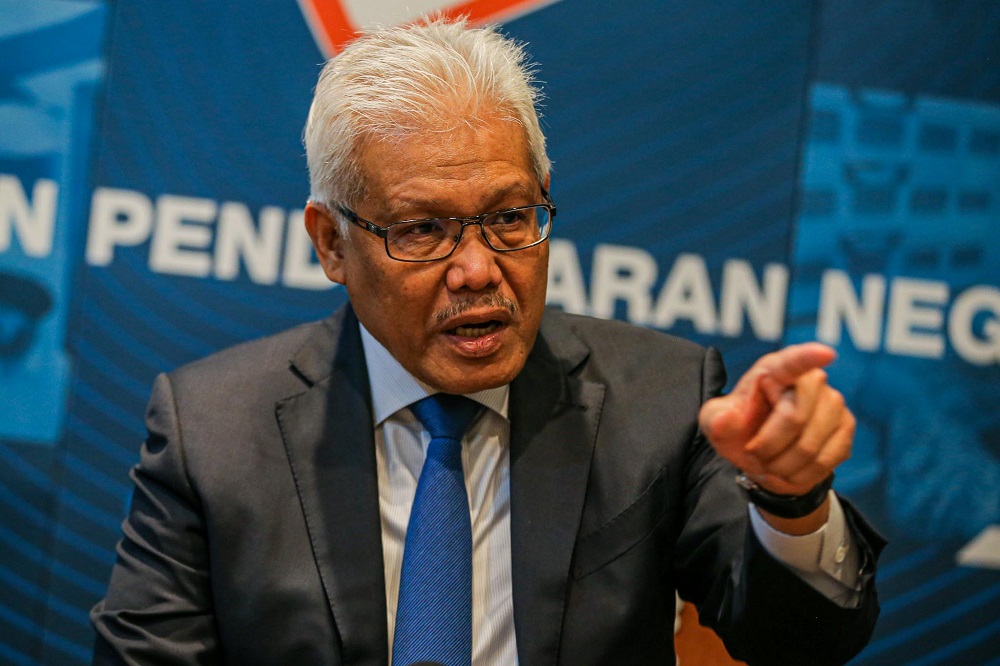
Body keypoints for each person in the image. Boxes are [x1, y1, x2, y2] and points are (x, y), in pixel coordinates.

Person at [91, 17, 884, 666]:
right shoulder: (213, 429)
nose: (478, 270)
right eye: (423, 230)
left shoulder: (664, 398)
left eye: (509, 218)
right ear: (331, 243)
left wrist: (792, 503)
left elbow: (800, 643)